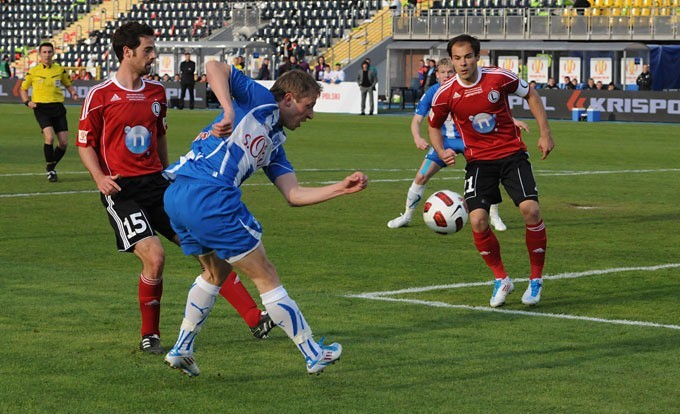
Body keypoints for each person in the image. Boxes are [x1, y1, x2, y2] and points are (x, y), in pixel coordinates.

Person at [76, 22, 274, 356]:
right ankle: (149, 334)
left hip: (158, 184)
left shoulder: (156, 92)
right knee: (155, 257)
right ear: (127, 52)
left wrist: (168, 172)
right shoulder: (99, 95)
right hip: (122, 191)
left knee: (206, 249)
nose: (153, 56)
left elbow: (160, 135)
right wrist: (99, 178)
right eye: (147, 50)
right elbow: (85, 144)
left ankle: (254, 318)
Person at [162, 65, 368, 377]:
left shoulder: (275, 143)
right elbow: (215, 67)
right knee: (266, 275)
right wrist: (228, 110)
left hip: (177, 196)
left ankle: (182, 349)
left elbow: (294, 194)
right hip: (210, 195)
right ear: (288, 99)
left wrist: (340, 188)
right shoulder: (260, 99)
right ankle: (313, 352)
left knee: (215, 272)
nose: (311, 115)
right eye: (308, 105)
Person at [428, 34, 554, 308]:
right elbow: (433, 125)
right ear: (452, 60)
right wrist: (440, 151)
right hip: (478, 162)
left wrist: (545, 132)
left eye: (468, 57)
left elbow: (530, 93)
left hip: (511, 155)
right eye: (457, 59)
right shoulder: (445, 93)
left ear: (477, 56)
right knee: (477, 221)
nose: (463, 64)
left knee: (530, 211)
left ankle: (535, 280)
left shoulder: (498, 78)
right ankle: (502, 279)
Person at [387, 57, 527, 232]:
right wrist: (418, 137)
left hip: (472, 140)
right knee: (422, 176)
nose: (446, 75)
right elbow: (416, 120)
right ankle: (407, 215)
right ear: (436, 75)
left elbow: (487, 112)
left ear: (455, 72)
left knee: (488, 176)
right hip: (444, 141)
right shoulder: (433, 92)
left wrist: (512, 120)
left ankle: (494, 216)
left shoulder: (467, 88)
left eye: (450, 72)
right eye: (443, 72)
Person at [20, 41, 79, 182]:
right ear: (40, 54)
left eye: (49, 52)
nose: (47, 55)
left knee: (64, 143)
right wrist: (27, 102)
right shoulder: (33, 71)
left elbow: (68, 84)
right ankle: (51, 171)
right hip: (41, 108)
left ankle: (51, 166)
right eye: (44, 52)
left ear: (53, 53)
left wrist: (73, 93)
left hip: (58, 107)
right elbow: (23, 89)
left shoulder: (60, 70)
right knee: (50, 138)